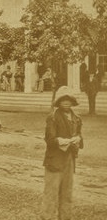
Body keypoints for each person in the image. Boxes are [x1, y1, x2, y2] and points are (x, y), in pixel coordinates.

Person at [41, 86, 84, 220]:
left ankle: (65, 217)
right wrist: (61, 141)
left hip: (69, 160)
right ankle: (47, 217)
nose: (66, 102)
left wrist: (78, 139)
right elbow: (50, 139)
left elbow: (80, 137)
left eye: (69, 99)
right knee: (51, 193)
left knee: (67, 193)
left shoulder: (77, 118)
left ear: (72, 102)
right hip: (54, 160)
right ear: (58, 102)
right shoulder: (53, 117)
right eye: (63, 100)